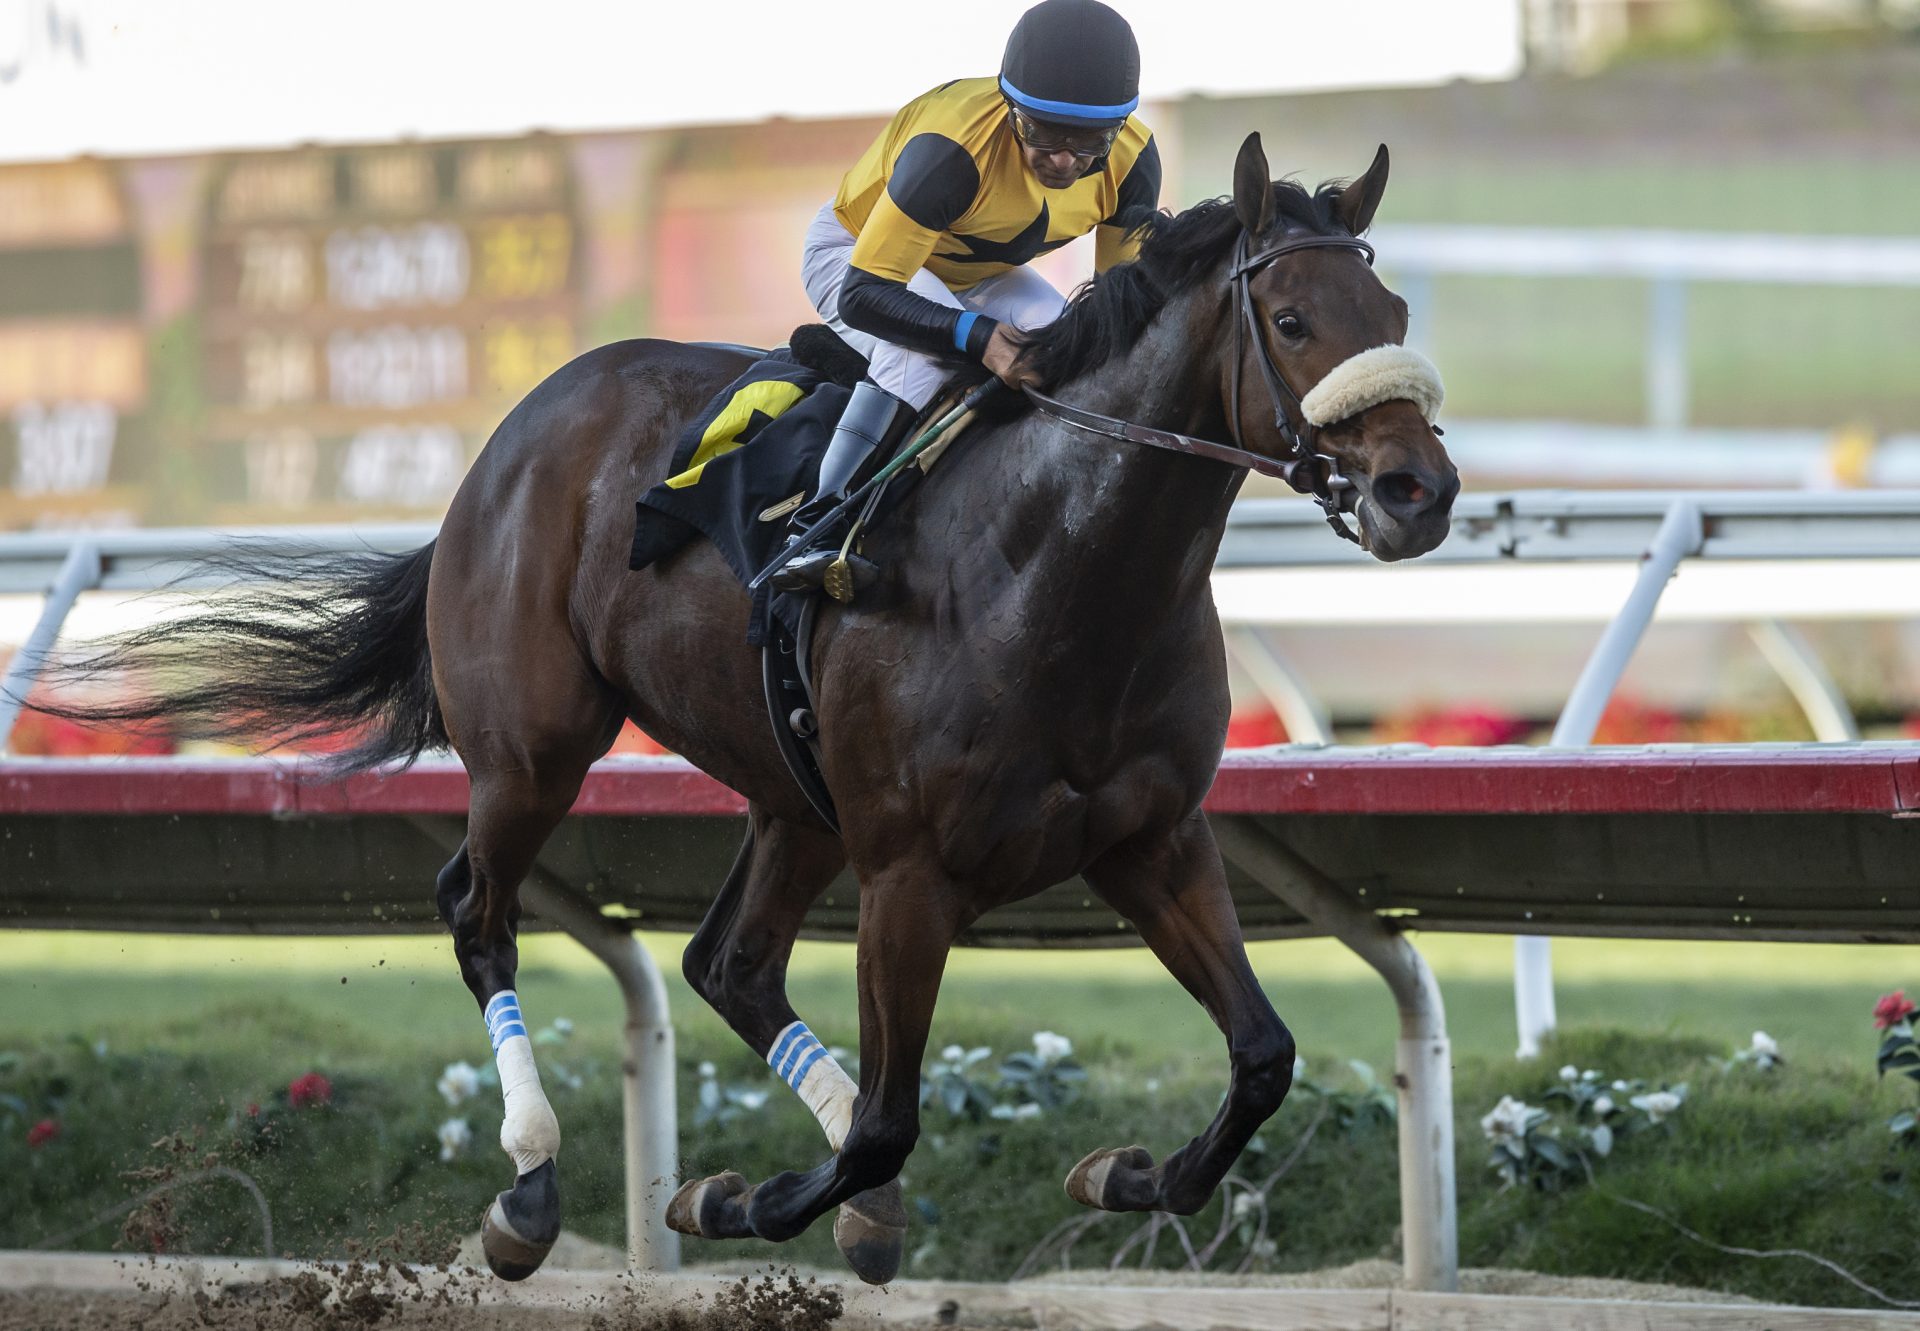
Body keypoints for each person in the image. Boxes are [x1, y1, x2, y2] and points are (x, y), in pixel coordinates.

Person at [772, 0, 1162, 593]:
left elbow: (1118, 307)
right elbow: (864, 293)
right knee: (923, 356)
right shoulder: (951, 151)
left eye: (1089, 142)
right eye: (1044, 132)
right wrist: (977, 337)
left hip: (977, 269)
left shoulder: (1132, 159)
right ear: (1011, 109)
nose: (1064, 159)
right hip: (855, 258)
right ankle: (820, 526)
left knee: (1064, 340)